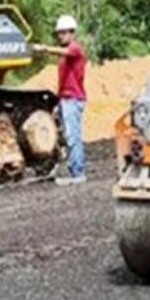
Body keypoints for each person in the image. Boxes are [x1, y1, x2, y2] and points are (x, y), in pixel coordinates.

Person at [33, 15, 88, 184]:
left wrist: (44, 49)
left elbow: (64, 51)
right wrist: (58, 102)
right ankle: (73, 171)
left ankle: (78, 173)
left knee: (73, 137)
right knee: (66, 137)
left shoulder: (75, 49)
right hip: (65, 99)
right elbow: (63, 80)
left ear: (72, 33)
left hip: (74, 99)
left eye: (64, 33)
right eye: (59, 33)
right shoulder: (64, 58)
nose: (61, 36)